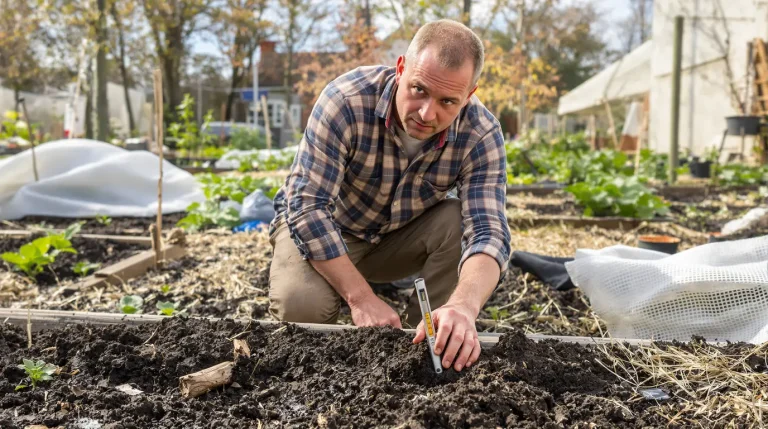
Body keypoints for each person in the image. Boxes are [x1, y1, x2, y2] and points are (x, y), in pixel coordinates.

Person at [268, 19, 510, 372]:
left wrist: (465, 306)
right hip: (328, 232)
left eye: (447, 101)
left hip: (396, 240)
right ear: (401, 68)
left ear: (469, 95)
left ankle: (422, 343)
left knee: (458, 220)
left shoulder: (481, 133)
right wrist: (362, 298)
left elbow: (490, 232)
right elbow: (306, 208)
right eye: (418, 90)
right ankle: (323, 346)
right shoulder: (347, 101)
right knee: (302, 306)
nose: (427, 114)